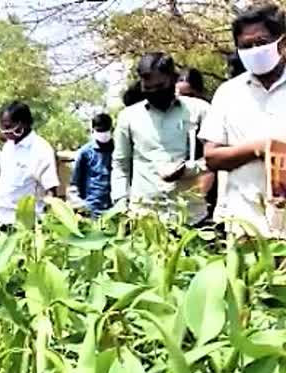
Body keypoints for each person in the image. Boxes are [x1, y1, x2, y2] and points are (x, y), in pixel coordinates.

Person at [201, 3, 286, 237]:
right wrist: (258, 149)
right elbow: (212, 157)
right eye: (246, 46)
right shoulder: (228, 93)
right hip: (244, 224)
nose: (255, 50)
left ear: (282, 42)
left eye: (261, 42)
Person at [111, 52, 210, 225]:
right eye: (148, 88)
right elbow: (120, 164)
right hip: (145, 217)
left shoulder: (200, 111)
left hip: (191, 216)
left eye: (160, 86)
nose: (155, 92)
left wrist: (189, 169)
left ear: (173, 79)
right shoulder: (128, 117)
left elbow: (215, 159)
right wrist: (121, 204)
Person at [0, 101, 59, 226]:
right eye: (2, 127)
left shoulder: (41, 149)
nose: (4, 131)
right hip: (1, 219)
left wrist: (51, 223)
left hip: (26, 224)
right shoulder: (8, 147)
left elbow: (51, 190)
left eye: (8, 127)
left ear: (22, 124)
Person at [175, 68, 217, 224]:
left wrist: (200, 195)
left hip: (202, 185)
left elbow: (211, 158)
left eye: (190, 96)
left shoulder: (205, 110)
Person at [69, 113, 114, 217]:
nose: (102, 134)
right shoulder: (84, 152)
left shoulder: (118, 150)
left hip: (114, 208)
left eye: (105, 130)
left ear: (111, 129)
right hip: (91, 209)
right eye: (99, 131)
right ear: (93, 130)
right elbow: (74, 182)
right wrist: (80, 205)